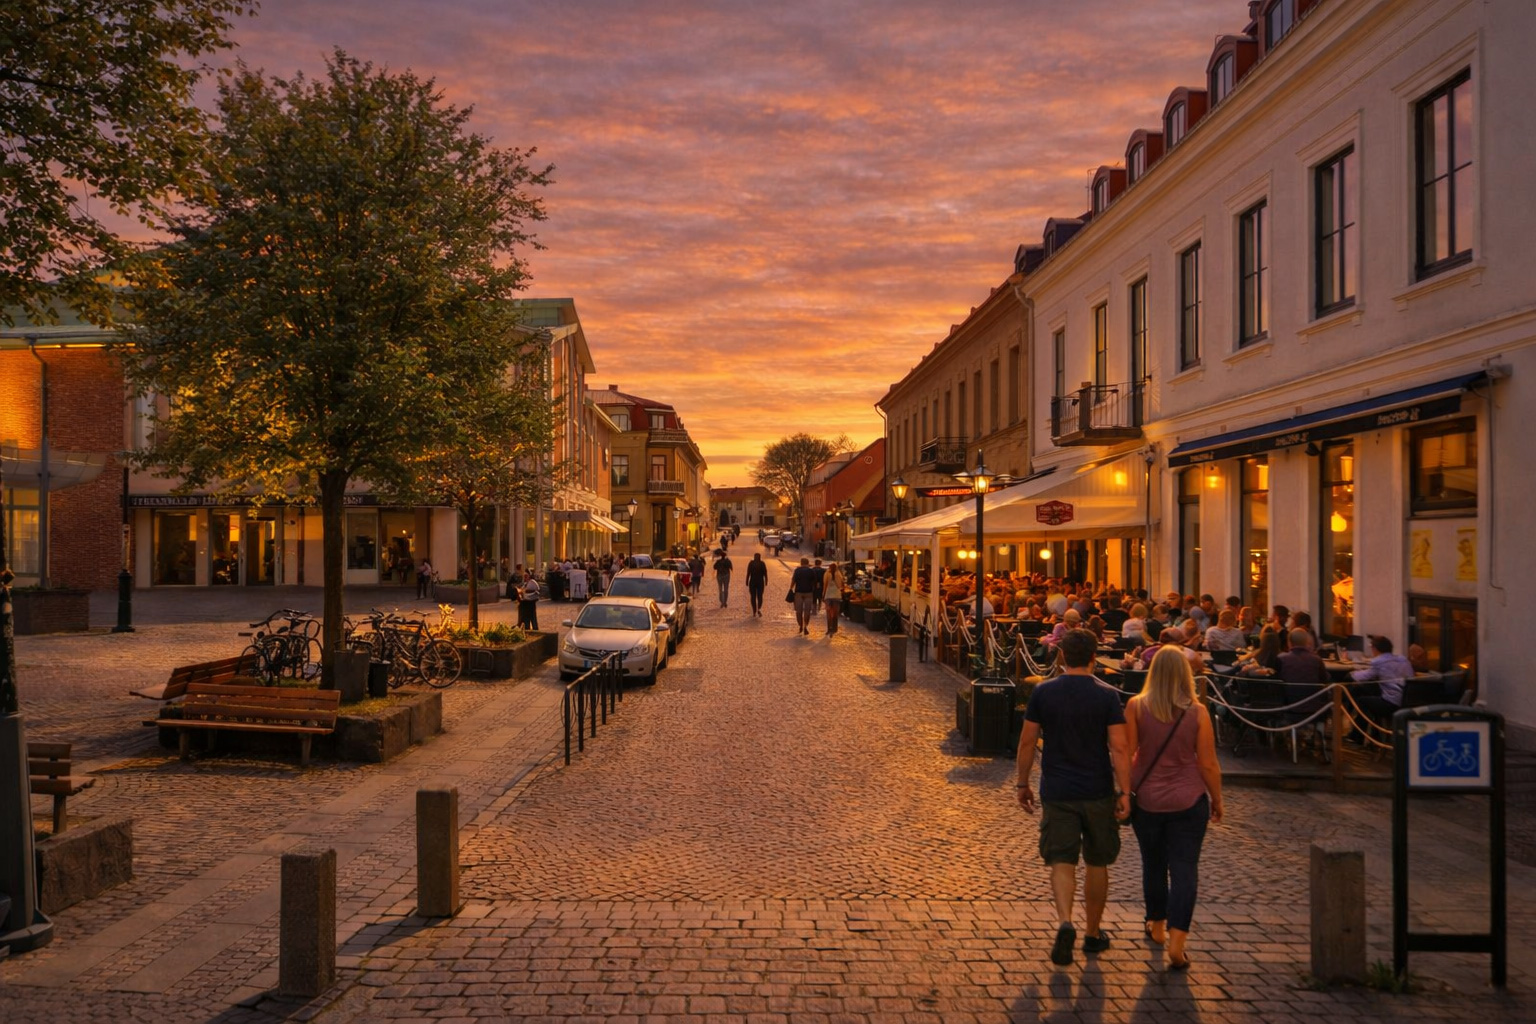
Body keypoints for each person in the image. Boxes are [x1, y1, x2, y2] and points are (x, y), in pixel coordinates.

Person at [1015, 629, 1131, 966]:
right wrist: (1125, 790)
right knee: (1097, 861)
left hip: (1058, 789)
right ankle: (1093, 933)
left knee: (1061, 859)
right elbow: (1120, 748)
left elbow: (1026, 742)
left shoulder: (1044, 692)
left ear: (1061, 656)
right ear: (1094, 657)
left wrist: (1022, 783)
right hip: (1096, 789)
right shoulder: (1107, 696)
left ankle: (1065, 920)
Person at [1124, 646, 1224, 970]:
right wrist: (1217, 798)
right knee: (1184, 870)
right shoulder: (1197, 712)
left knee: (1152, 863)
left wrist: (1124, 792)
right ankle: (1178, 942)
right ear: (1185, 675)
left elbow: (1126, 753)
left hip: (1148, 799)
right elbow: (1208, 763)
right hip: (1188, 798)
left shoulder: (1136, 706)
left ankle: (1156, 925)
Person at [1349, 634, 1416, 740]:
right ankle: (1376, 734)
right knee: (1372, 694)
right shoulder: (1403, 660)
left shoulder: (1379, 661)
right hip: (1408, 701)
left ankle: (1358, 736)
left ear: (1375, 649)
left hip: (1392, 703)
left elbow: (1363, 677)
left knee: (1362, 701)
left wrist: (1352, 674)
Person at [790, 557, 819, 635]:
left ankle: (800, 625)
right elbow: (815, 583)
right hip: (809, 593)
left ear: (801, 563)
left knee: (798, 611)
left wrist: (790, 589)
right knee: (807, 611)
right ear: (807, 563)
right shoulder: (811, 571)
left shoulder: (797, 571)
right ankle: (805, 626)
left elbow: (793, 580)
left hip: (798, 593)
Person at [823, 562, 846, 635]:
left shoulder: (827, 574)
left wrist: (823, 595)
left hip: (828, 595)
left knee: (829, 613)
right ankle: (834, 628)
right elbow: (841, 585)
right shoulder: (839, 574)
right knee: (835, 613)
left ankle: (829, 628)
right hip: (836, 596)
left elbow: (825, 585)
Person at [745, 553, 768, 617]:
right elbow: (765, 573)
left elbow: (748, 573)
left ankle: (755, 610)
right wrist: (766, 580)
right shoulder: (762, 564)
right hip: (759, 582)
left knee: (754, 596)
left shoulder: (752, 563)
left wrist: (747, 581)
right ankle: (757, 609)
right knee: (758, 596)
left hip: (753, 582)